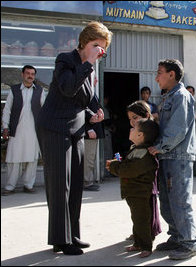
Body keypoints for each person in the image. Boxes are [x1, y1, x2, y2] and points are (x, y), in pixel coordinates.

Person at [36, 21, 112, 256]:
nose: (101, 52)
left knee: (76, 184)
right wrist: (88, 63)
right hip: (55, 127)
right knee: (60, 184)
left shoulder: (88, 69)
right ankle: (60, 239)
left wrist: (93, 114)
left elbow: (82, 101)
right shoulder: (65, 60)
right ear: (85, 43)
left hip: (76, 129)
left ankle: (72, 235)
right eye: (97, 46)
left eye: (103, 49)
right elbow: (68, 89)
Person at [148, 59, 196, 260]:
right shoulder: (169, 97)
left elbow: (178, 129)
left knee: (180, 201)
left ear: (172, 74)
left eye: (160, 72)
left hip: (177, 156)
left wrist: (159, 147)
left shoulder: (181, 96)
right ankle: (177, 237)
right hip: (167, 156)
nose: (156, 77)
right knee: (168, 201)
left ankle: (190, 242)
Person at [106, 118, 160, 258]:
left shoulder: (144, 153)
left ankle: (146, 246)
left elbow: (130, 170)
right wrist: (117, 163)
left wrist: (113, 166)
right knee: (137, 219)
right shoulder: (136, 149)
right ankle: (138, 243)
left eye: (133, 128)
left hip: (140, 193)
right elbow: (128, 165)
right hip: (133, 192)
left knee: (142, 220)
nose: (130, 129)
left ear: (140, 135)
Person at [1, 65, 46, 196]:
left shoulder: (40, 91)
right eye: (28, 73)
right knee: (13, 159)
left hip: (33, 132)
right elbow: (7, 110)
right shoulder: (14, 90)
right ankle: (9, 187)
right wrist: (5, 127)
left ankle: (28, 185)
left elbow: (44, 111)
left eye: (32, 74)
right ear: (22, 74)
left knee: (32, 160)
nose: (30, 76)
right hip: (17, 131)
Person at [83, 96, 105, 192]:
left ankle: (88, 181)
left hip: (94, 131)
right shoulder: (85, 94)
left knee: (90, 158)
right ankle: (87, 182)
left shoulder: (92, 93)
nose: (95, 80)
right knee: (88, 158)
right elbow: (82, 112)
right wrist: (88, 128)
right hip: (89, 132)